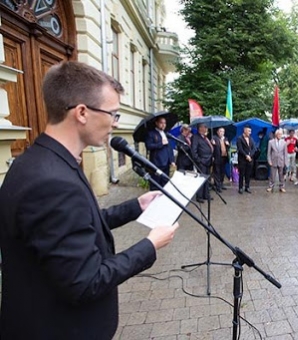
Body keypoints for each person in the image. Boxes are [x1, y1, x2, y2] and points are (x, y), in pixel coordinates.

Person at [0, 61, 179, 339]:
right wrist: (149, 245)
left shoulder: (44, 161)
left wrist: (135, 207)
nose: (115, 123)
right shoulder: (52, 181)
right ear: (82, 112)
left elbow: (77, 226)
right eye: (113, 114)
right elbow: (86, 282)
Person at [145, 116, 175, 190]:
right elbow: (149, 146)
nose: (163, 125)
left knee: (165, 184)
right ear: (156, 123)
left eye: (164, 123)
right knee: (156, 185)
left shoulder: (166, 134)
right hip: (156, 164)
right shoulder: (151, 133)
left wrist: (172, 160)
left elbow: (169, 148)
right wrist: (161, 143)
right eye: (161, 123)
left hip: (166, 164)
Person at [191, 123, 214, 203]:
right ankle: (199, 196)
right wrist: (199, 160)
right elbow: (194, 151)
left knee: (207, 179)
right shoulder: (195, 137)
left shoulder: (205, 137)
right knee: (201, 179)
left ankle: (206, 194)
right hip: (201, 162)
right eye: (205, 127)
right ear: (200, 128)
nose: (206, 128)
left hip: (208, 161)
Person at [236, 124, 257, 194]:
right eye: (249, 131)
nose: (250, 132)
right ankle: (240, 187)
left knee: (248, 174)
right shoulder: (240, 138)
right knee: (241, 174)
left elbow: (254, 148)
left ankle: (247, 187)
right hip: (242, 160)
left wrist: (250, 155)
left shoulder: (251, 139)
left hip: (250, 159)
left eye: (250, 131)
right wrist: (246, 155)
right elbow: (240, 149)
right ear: (245, 130)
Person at [211, 127, 230, 192]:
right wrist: (212, 143)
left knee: (222, 172)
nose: (222, 133)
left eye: (223, 132)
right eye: (220, 131)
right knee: (217, 172)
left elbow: (228, 148)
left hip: (224, 157)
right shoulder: (214, 138)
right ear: (217, 132)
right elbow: (212, 147)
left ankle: (221, 184)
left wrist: (228, 144)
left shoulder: (225, 139)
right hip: (217, 157)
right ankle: (217, 186)